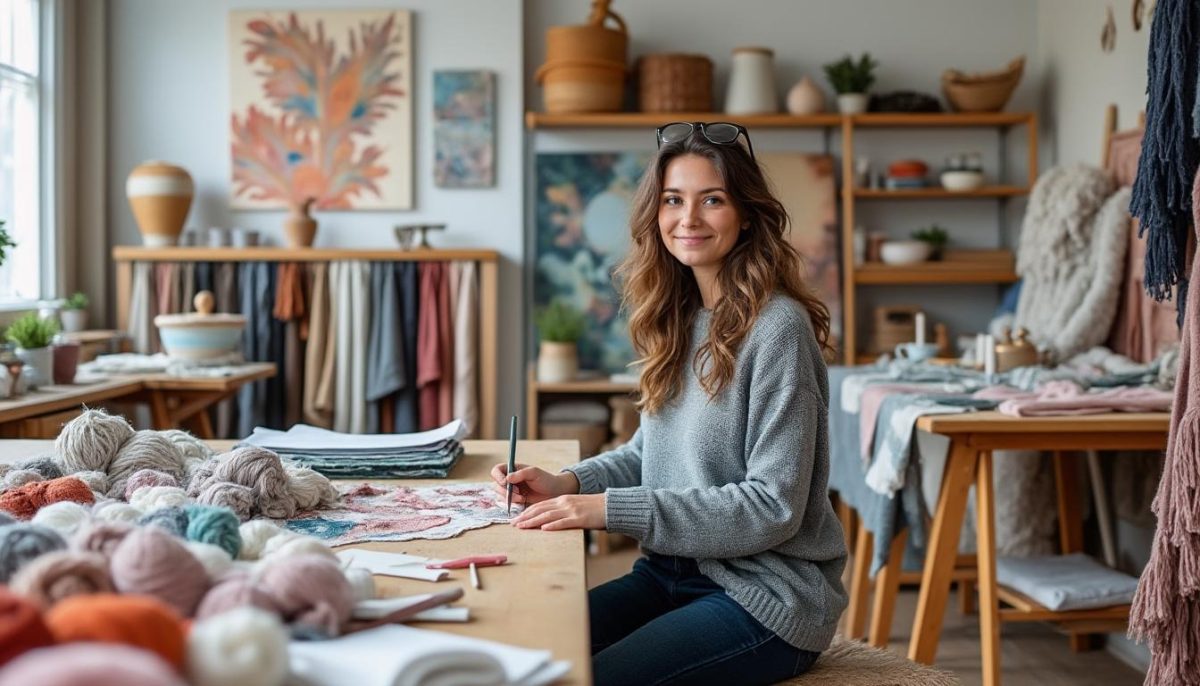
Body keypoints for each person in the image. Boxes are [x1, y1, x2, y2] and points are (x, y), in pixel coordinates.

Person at [492, 122, 848, 685]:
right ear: (654, 215)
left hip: (766, 594)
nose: (689, 219)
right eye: (673, 200)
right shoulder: (678, 317)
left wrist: (608, 510)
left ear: (747, 214)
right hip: (669, 573)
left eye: (713, 200)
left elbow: (772, 507)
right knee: (525, 651)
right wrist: (570, 483)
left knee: (590, 679)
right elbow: (649, 452)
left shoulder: (778, 328)